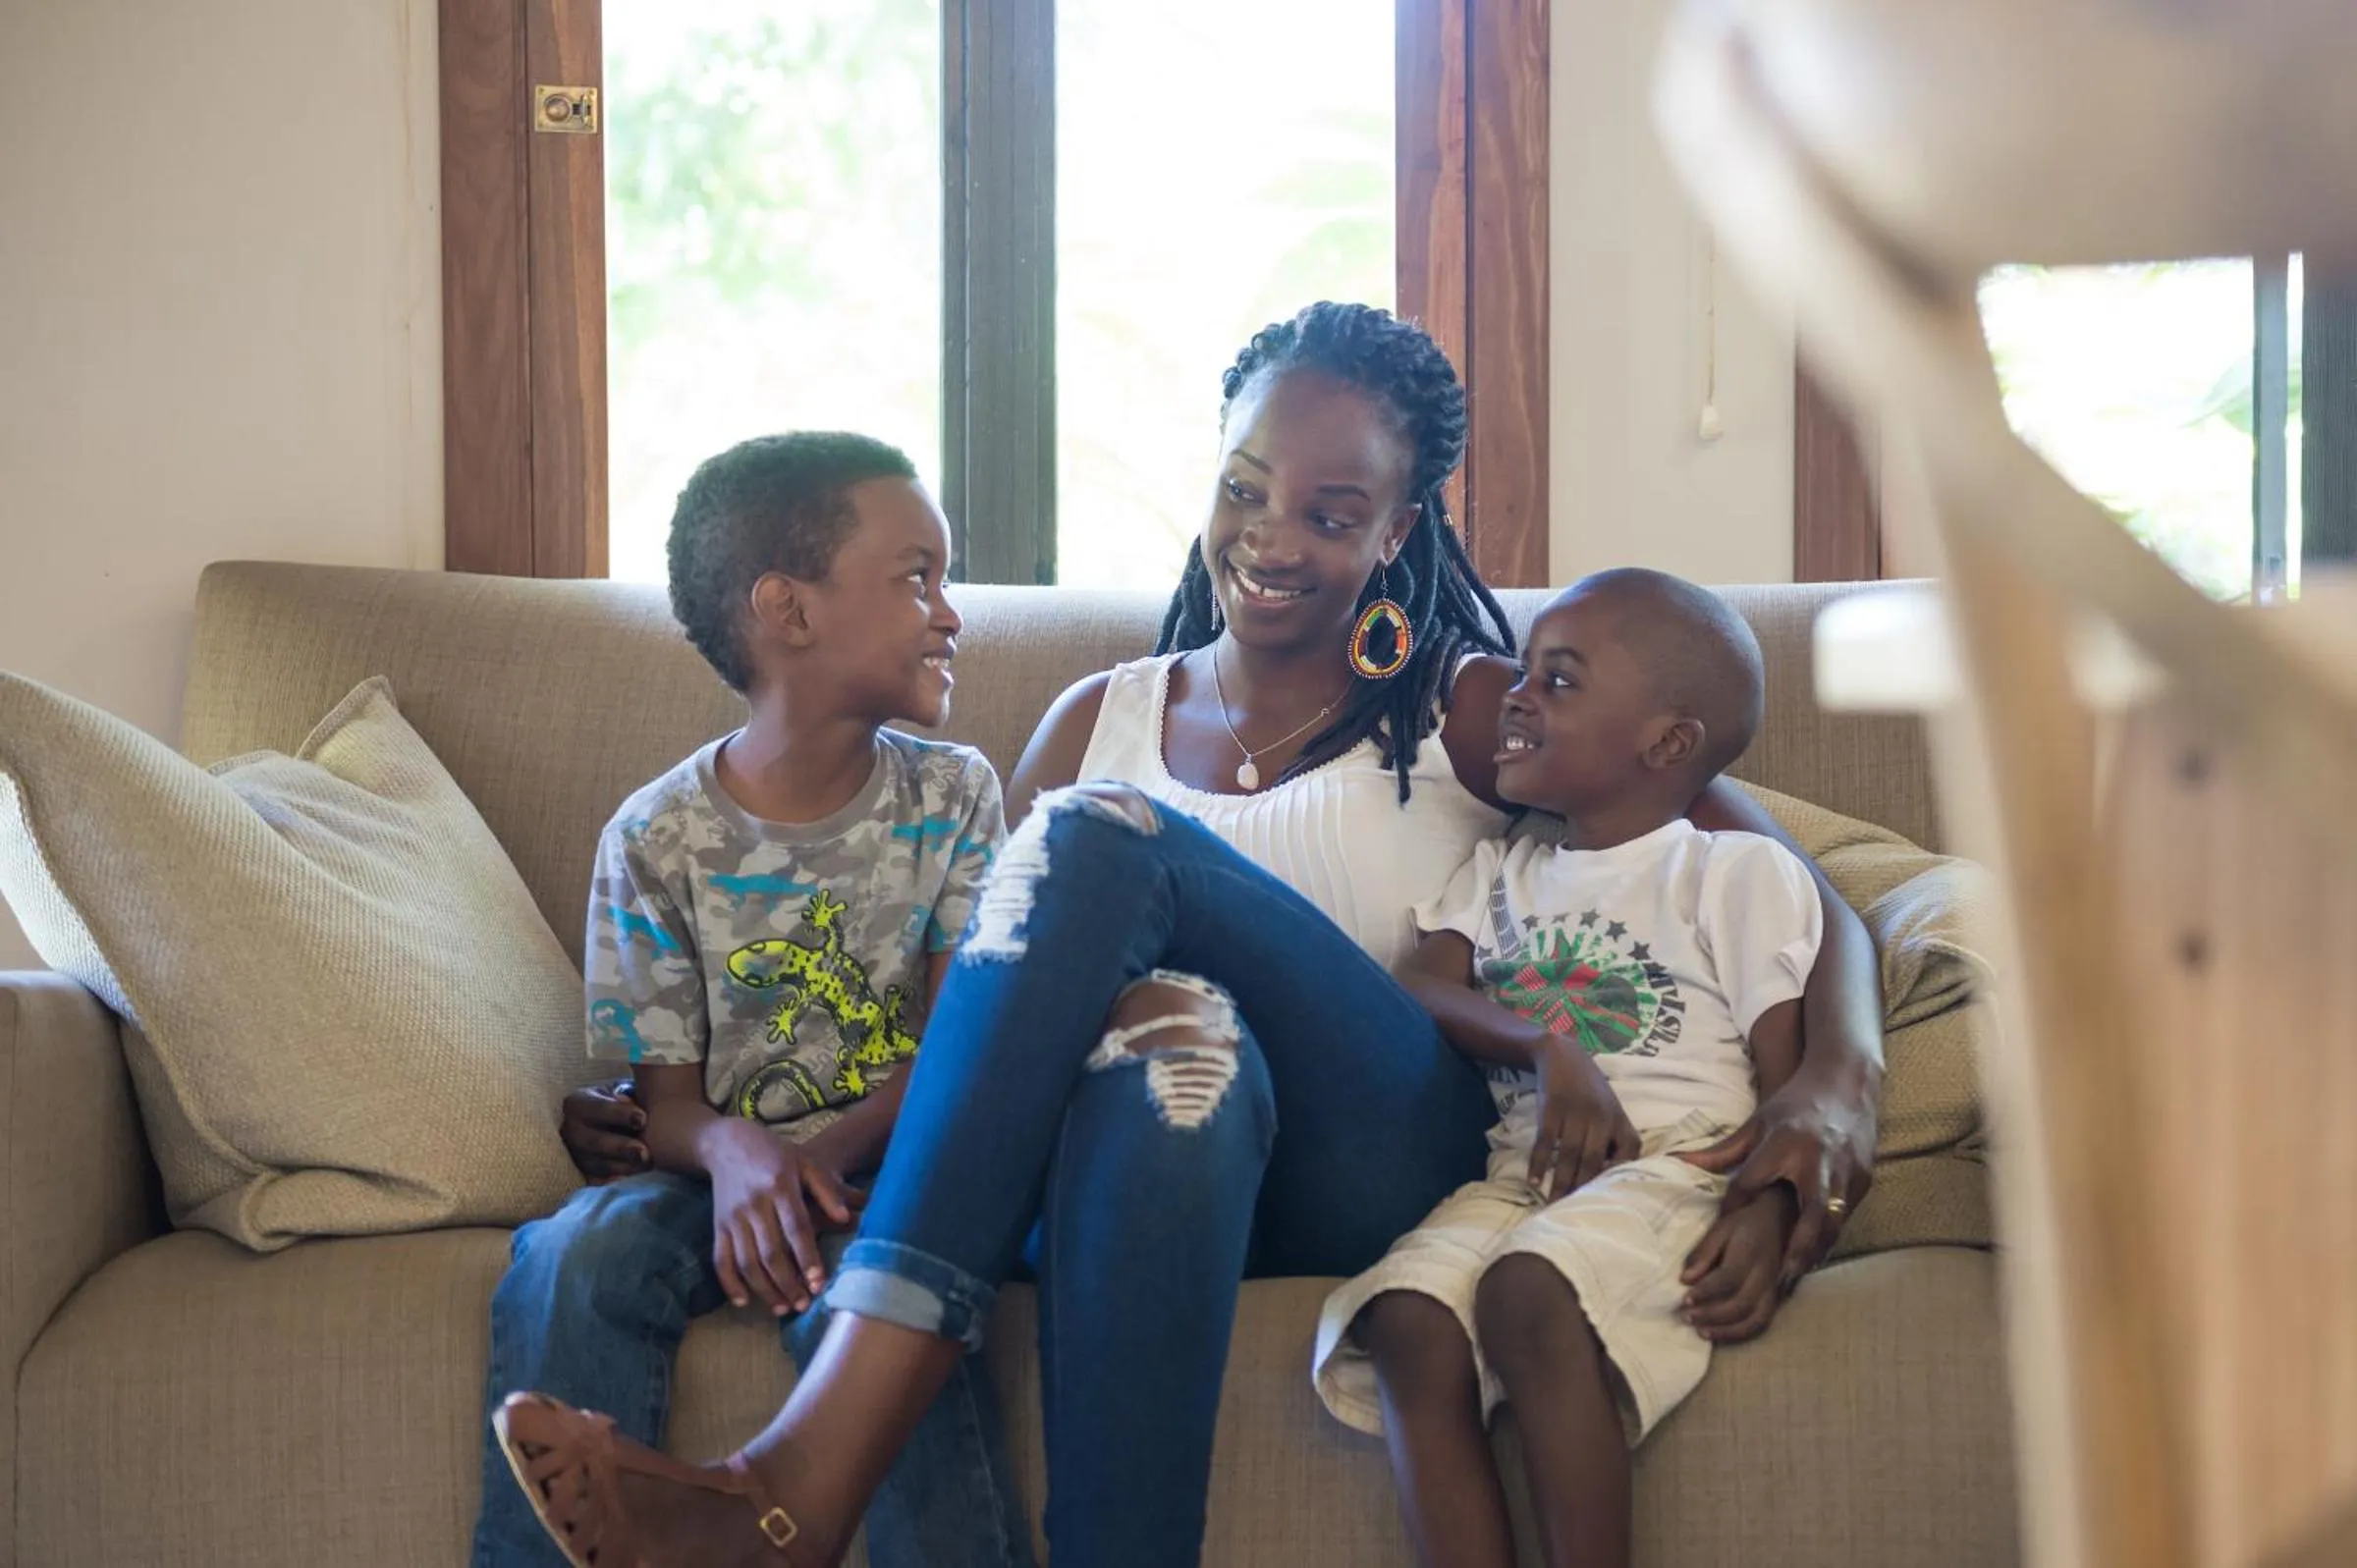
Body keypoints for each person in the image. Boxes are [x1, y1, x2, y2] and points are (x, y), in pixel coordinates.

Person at [510, 302, 1886, 1568]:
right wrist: (753, 1131)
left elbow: (1778, 873)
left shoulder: (1468, 710)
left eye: (1332, 512)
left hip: (1372, 1160)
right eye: (1245, 488)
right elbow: (997, 1001)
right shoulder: (1093, 716)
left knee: (1103, 841)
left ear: (1398, 532)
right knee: (1178, 1038)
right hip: (1136, 1177)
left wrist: (1839, 1080)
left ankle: (805, 1476)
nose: (1272, 538)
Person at [470, 433, 1034, 1568]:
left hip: (893, 1171)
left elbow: (958, 1050)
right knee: (572, 1257)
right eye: (916, 576)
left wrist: (810, 1164)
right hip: (715, 1177)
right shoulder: (654, 836)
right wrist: (737, 1157)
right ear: (789, 610)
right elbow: (661, 1103)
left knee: (895, 1304)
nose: (950, 613)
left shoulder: (954, 795)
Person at [1314, 568, 1820, 1568]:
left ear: (1666, 742)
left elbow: (1787, 1082)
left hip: (1678, 1166)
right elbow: (1417, 988)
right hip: (1525, 1173)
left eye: (1559, 680)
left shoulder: (1730, 870)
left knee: (1525, 1292)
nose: (1516, 695)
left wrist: (1765, 1207)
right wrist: (1550, 1048)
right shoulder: (1503, 867)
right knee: (1405, 1319)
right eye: (1526, 671)